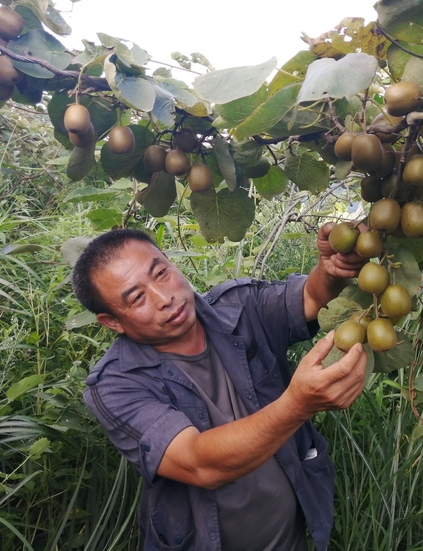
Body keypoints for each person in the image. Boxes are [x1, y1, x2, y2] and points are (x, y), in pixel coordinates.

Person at [71, 225, 368, 551]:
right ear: (111, 321)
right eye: (137, 297)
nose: (164, 298)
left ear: (170, 261)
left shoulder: (240, 307)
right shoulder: (117, 385)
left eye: (161, 274)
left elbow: (312, 298)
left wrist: (331, 270)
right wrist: (297, 405)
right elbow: (199, 464)